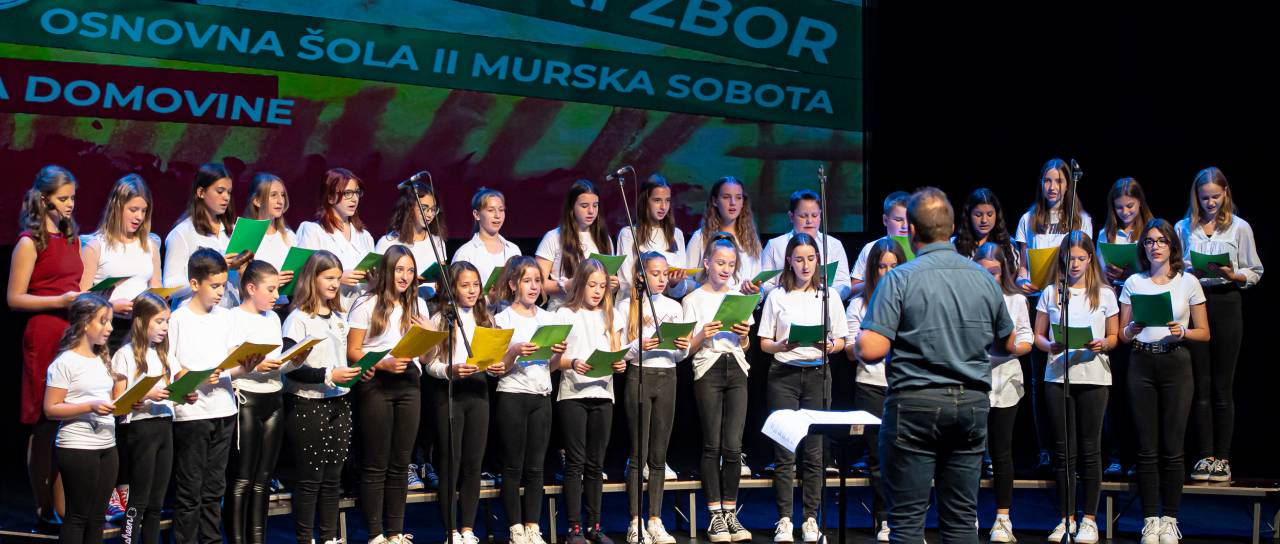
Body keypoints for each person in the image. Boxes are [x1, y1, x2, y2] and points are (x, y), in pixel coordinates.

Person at [856, 187, 1016, 543]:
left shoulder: (900, 278)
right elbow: (1007, 343)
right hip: (971, 406)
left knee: (907, 524)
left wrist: (860, 336)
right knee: (961, 522)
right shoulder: (982, 278)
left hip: (915, 406)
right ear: (952, 228)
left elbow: (870, 349)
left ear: (912, 231)